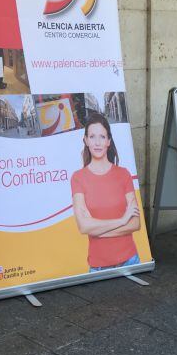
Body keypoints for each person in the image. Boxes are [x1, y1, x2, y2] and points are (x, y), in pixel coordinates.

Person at [71, 113, 141, 272]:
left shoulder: (124, 174)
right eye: (92, 136)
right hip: (98, 266)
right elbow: (84, 226)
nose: (97, 142)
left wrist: (98, 231)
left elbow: (135, 223)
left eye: (102, 137)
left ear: (108, 141)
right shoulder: (78, 178)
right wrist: (123, 220)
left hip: (131, 260)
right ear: (86, 140)